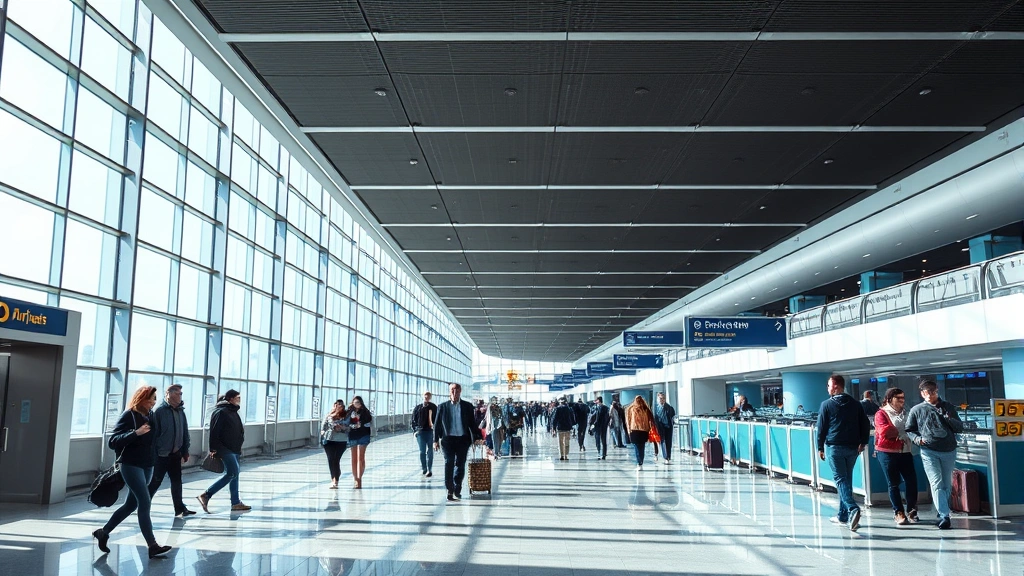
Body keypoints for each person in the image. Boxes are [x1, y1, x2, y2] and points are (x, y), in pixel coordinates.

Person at [93, 386, 172, 558]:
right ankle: (152, 545)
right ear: (142, 399)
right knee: (144, 501)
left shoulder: (151, 416)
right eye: (151, 399)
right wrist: (136, 433)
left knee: (131, 505)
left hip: (147, 465)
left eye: (155, 398)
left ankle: (103, 532)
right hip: (130, 464)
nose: (154, 402)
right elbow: (113, 441)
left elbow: (153, 441)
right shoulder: (128, 415)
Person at [905, 379, 964, 530]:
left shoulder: (947, 407)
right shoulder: (916, 410)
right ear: (922, 393)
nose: (930, 395)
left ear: (937, 391)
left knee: (946, 484)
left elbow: (959, 427)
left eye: (933, 392)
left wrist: (948, 418)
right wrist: (918, 439)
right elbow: (910, 430)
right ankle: (945, 515)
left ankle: (941, 510)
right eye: (927, 392)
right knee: (936, 482)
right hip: (929, 451)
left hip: (948, 450)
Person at [816, 375, 870, 532]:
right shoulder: (855, 404)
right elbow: (865, 424)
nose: (827, 388)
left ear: (835, 386)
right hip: (852, 448)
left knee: (840, 479)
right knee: (846, 480)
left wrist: (820, 447)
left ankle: (852, 508)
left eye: (828, 385)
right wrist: (863, 442)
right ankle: (843, 515)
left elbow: (821, 428)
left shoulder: (826, 405)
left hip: (835, 447)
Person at [196, 389, 251, 513]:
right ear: (230, 399)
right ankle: (207, 494)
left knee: (235, 475)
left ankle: (235, 502)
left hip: (234, 448)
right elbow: (214, 431)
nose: (240, 400)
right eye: (238, 398)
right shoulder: (221, 412)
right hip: (224, 448)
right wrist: (214, 449)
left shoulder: (233, 411)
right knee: (232, 473)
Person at [147, 384, 195, 517]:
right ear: (169, 394)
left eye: (181, 394)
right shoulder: (159, 411)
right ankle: (143, 506)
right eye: (178, 393)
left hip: (175, 454)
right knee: (155, 482)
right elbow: (153, 435)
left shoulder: (180, 411)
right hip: (161, 455)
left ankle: (180, 508)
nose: (181, 396)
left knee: (177, 482)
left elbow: (184, 432)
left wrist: (185, 450)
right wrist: (153, 453)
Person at [874, 387, 919, 525]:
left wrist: (902, 433)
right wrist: (900, 433)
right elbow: (885, 431)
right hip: (887, 452)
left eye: (903, 398)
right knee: (893, 483)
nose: (901, 401)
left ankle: (912, 509)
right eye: (898, 398)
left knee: (911, 481)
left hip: (905, 451)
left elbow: (914, 428)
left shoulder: (907, 412)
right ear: (889, 399)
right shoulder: (881, 413)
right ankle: (898, 512)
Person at [432, 382, 484, 501]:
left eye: (457, 390)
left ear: (460, 391)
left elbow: (472, 424)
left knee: (460, 464)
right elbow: (437, 425)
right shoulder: (442, 406)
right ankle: (449, 489)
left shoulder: (467, 406)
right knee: (449, 462)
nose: (455, 392)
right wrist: (435, 440)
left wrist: (478, 438)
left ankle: (457, 487)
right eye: (452, 390)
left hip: (463, 440)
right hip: (448, 440)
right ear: (449, 391)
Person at [321, 399, 350, 489]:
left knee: (336, 459)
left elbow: (349, 427)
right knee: (331, 459)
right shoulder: (329, 415)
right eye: (336, 404)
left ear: (343, 406)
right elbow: (324, 426)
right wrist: (323, 432)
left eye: (340, 405)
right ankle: (334, 479)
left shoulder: (346, 415)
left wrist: (341, 427)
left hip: (341, 440)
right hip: (329, 440)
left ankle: (336, 477)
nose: (338, 406)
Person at [347, 396, 373, 489]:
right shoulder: (349, 412)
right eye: (355, 402)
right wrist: (353, 424)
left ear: (361, 403)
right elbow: (346, 423)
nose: (356, 404)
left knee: (360, 457)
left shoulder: (365, 412)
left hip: (363, 435)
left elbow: (368, 420)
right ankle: (355, 479)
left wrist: (360, 421)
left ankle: (359, 478)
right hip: (353, 435)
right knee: (354, 458)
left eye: (358, 402)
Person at [625, 395, 656, 470]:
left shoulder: (632, 409)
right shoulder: (644, 409)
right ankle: (640, 462)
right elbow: (651, 419)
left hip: (636, 430)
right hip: (641, 430)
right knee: (641, 447)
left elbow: (628, 420)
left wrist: (629, 430)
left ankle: (639, 462)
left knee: (638, 447)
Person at [412, 392, 437, 477]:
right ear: (423, 397)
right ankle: (424, 468)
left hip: (430, 432)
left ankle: (429, 469)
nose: (426, 397)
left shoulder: (434, 407)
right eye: (425, 396)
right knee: (422, 451)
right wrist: (415, 431)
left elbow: (437, 419)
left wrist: (437, 432)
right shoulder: (418, 408)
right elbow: (413, 420)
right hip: (420, 432)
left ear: (430, 397)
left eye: (428, 396)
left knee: (430, 451)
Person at [654, 392, 676, 465]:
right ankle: (666, 457)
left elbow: (672, 416)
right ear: (658, 399)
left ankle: (668, 456)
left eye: (663, 398)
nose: (662, 400)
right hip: (660, 427)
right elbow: (655, 417)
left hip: (668, 427)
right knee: (663, 441)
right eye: (660, 398)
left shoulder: (669, 408)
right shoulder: (656, 408)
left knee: (668, 442)